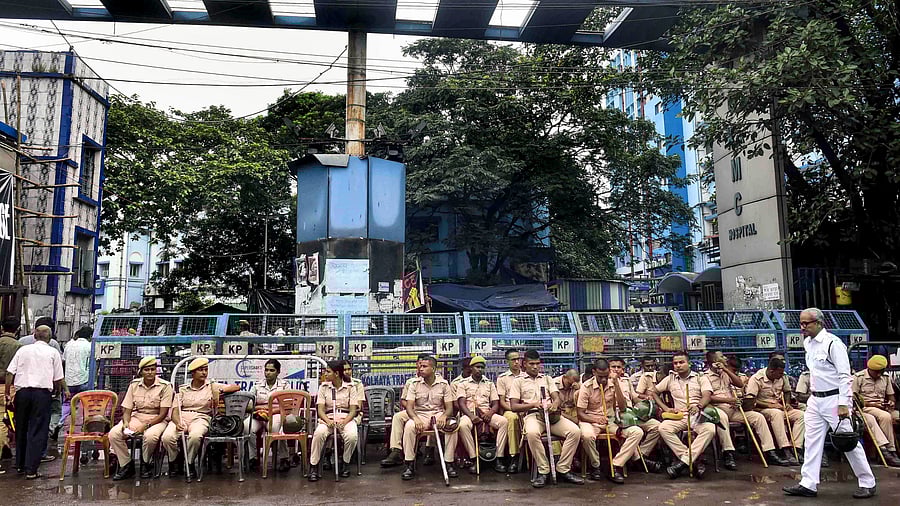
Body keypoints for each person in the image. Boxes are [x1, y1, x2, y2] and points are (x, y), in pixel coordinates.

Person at [784, 308, 877, 499]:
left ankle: (868, 482)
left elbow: (845, 376)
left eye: (806, 323)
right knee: (811, 441)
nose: (802, 327)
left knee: (848, 441)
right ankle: (808, 483)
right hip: (816, 399)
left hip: (835, 399)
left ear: (819, 323)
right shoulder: (808, 343)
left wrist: (844, 403)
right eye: (801, 323)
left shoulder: (833, 344)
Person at [578, 358, 662, 484]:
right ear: (594, 372)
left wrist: (616, 384)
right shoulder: (586, 386)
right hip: (590, 419)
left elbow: (622, 407)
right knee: (587, 436)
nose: (604, 380)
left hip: (611, 419)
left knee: (636, 432)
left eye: (606, 376)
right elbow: (580, 414)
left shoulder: (614, 383)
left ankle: (615, 466)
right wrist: (596, 419)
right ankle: (596, 466)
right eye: (600, 376)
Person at [509, 349, 584, 488]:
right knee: (532, 433)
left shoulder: (547, 378)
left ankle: (563, 469)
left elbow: (557, 398)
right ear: (524, 364)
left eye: (537, 363)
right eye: (532, 364)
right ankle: (543, 471)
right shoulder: (518, 381)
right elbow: (513, 406)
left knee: (575, 432)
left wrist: (555, 404)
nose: (535, 367)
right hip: (532, 415)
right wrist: (533, 404)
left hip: (551, 416)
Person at [4, 325, 68, 479]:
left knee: (21, 427)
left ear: (34, 335)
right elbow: (58, 378)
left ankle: (19, 464)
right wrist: (59, 391)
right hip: (42, 394)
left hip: (22, 393)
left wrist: (7, 392)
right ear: (50, 338)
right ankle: (31, 469)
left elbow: (9, 372)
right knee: (38, 430)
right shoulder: (53, 352)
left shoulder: (23, 350)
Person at [160, 358, 240, 477]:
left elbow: (236, 387)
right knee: (167, 437)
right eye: (200, 370)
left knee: (195, 436)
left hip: (201, 418)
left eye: (206, 370)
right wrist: (177, 423)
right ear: (193, 373)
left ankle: (190, 463)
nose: (204, 373)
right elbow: (175, 411)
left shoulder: (212, 386)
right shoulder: (182, 389)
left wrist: (221, 390)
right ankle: (175, 461)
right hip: (182, 417)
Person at [650, 351, 716, 479]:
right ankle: (690, 460)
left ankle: (683, 462)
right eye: (675, 363)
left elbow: (707, 395)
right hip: (679, 416)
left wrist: (698, 406)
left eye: (681, 362)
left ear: (689, 363)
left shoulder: (700, 377)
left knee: (710, 429)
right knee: (663, 428)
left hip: (696, 414)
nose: (678, 365)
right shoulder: (670, 378)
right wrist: (666, 408)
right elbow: (654, 392)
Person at [109, 357, 173, 480]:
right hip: (137, 416)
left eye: (152, 369)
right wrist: (126, 422)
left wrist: (147, 425)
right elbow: (127, 409)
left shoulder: (165, 386)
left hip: (157, 419)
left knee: (150, 437)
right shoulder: (134, 385)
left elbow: (163, 414)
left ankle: (146, 463)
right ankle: (126, 464)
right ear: (141, 372)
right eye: (147, 370)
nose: (150, 372)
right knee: (114, 434)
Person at [401, 354, 458, 480]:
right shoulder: (414, 384)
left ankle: (449, 463)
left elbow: (449, 408)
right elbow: (409, 407)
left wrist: (444, 416)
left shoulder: (444, 384)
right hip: (420, 414)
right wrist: (415, 418)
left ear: (433, 369)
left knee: (452, 426)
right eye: (420, 366)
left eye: (424, 366)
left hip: (438, 414)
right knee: (409, 426)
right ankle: (409, 464)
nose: (420, 368)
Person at [456, 355, 509, 473]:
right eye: (477, 367)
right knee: (463, 425)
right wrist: (471, 416)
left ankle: (499, 458)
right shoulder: (463, 384)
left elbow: (495, 403)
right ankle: (474, 458)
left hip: (486, 412)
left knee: (504, 422)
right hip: (470, 414)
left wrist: (490, 413)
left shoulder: (489, 384)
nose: (480, 369)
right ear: (471, 368)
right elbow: (461, 403)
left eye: (482, 367)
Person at [746, 357, 803, 465]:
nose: (781, 375)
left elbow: (787, 392)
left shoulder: (782, 376)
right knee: (776, 414)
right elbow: (751, 400)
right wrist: (770, 405)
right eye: (779, 373)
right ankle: (784, 448)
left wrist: (787, 403)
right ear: (771, 371)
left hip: (780, 407)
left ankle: (796, 448)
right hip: (763, 409)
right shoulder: (756, 378)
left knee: (801, 415)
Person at [309, 360, 359, 481]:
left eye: (328, 372)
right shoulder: (323, 387)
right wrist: (327, 421)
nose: (325, 374)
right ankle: (314, 466)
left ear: (336, 373)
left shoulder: (351, 387)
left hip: (345, 419)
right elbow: (320, 409)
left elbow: (353, 410)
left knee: (352, 436)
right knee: (319, 434)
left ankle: (345, 463)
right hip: (328, 418)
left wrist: (344, 421)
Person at [380, 368, 436, 467]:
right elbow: (403, 400)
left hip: (429, 411)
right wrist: (411, 407)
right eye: (419, 364)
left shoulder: (439, 382)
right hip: (412, 409)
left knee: (433, 419)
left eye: (424, 365)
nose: (421, 367)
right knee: (397, 417)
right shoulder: (411, 382)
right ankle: (396, 450)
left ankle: (429, 450)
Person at [852, 355, 900, 467]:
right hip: (865, 408)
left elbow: (891, 396)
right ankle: (888, 451)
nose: (878, 374)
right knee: (882, 417)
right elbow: (853, 400)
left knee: (891, 416)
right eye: (876, 372)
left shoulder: (886, 377)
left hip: (883, 407)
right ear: (870, 369)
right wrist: (872, 404)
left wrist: (891, 402)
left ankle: (891, 451)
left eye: (881, 371)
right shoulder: (858, 377)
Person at [245, 359, 289, 472]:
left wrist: (271, 411)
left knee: (275, 427)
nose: (268, 373)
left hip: (277, 414)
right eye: (266, 370)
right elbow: (248, 406)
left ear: (278, 372)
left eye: (271, 370)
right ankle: (253, 458)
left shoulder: (284, 386)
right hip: (259, 414)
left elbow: (286, 406)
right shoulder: (257, 386)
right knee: (247, 426)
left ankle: (283, 458)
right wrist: (260, 410)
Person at [701, 351, 740, 470]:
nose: (725, 358)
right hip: (718, 407)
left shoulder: (726, 373)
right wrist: (728, 400)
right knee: (721, 417)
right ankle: (728, 453)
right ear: (714, 362)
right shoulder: (704, 377)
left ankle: (772, 451)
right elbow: (708, 397)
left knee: (757, 417)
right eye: (722, 357)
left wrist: (727, 370)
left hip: (734, 408)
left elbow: (740, 384)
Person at [496, 349, 526, 472]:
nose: (516, 362)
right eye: (513, 360)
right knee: (512, 419)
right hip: (510, 409)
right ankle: (514, 456)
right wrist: (514, 409)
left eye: (518, 359)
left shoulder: (526, 376)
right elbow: (502, 402)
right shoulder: (502, 378)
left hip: (526, 408)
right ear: (507, 361)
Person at [0, 317, 23, 469]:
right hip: (8, 386)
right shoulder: (18, 346)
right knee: (7, 419)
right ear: (17, 329)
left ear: (2, 328)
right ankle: (4, 447)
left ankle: (6, 446)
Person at [60, 326, 92, 428]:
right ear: (90, 336)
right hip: (84, 380)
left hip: (69, 381)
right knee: (85, 404)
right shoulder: (90, 346)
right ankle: (84, 426)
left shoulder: (69, 345)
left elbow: (64, 361)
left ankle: (60, 422)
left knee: (67, 404)